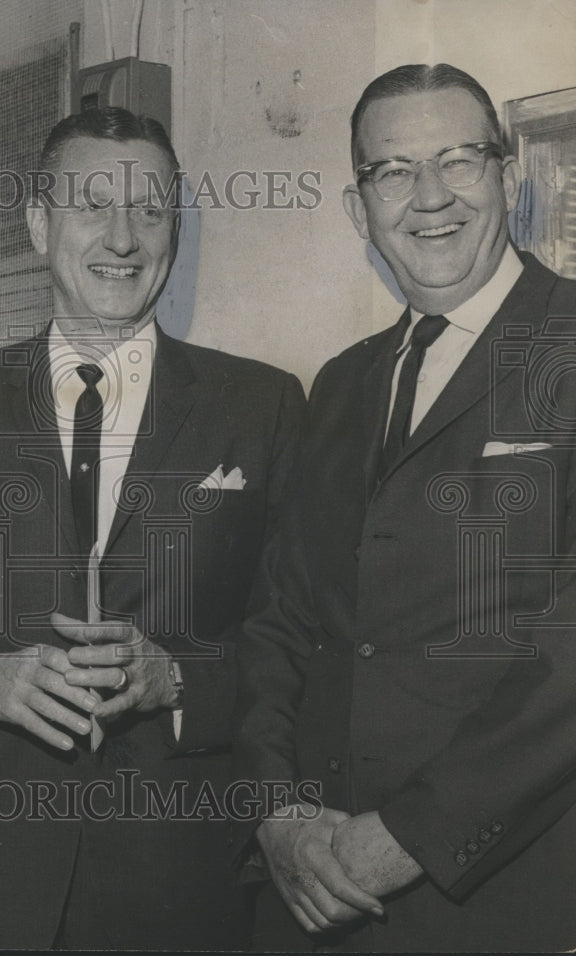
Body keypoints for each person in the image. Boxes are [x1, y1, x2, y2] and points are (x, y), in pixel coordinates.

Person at [0, 107, 305, 950]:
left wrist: (177, 681)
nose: (123, 239)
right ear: (36, 223)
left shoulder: (264, 406)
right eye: (92, 205)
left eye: (151, 210)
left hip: (185, 893)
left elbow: (292, 643)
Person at [235, 63, 576, 951]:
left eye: (458, 160)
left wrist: (409, 837)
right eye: (392, 172)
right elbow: (281, 623)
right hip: (315, 902)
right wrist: (275, 815)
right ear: (360, 210)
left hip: (504, 902)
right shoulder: (341, 386)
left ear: (508, 176)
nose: (429, 197)